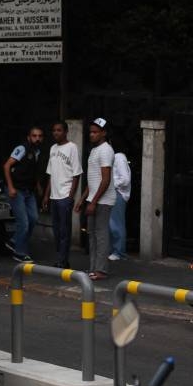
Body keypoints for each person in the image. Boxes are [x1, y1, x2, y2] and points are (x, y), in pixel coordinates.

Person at [75, 118, 116, 280]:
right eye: (90, 132)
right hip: (93, 198)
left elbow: (105, 180)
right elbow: (92, 179)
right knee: (91, 235)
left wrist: (93, 202)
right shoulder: (94, 150)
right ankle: (93, 268)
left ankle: (101, 270)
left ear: (104, 133)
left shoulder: (106, 150)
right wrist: (82, 199)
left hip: (103, 200)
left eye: (95, 132)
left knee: (101, 234)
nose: (91, 135)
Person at [42, 121, 82, 268]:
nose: (56, 133)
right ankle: (61, 257)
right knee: (57, 231)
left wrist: (70, 197)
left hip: (65, 196)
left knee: (65, 231)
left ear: (65, 132)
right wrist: (46, 195)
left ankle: (62, 260)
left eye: (59, 130)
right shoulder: (52, 148)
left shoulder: (72, 148)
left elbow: (77, 174)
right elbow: (50, 174)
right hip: (54, 196)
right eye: (54, 130)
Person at [2, 125, 44, 262]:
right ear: (29, 137)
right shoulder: (22, 149)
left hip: (29, 190)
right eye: (34, 136)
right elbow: (7, 166)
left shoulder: (38, 152)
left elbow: (34, 171)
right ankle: (19, 252)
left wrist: (38, 186)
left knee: (34, 218)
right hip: (16, 189)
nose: (37, 138)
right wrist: (11, 187)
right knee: (24, 223)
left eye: (39, 136)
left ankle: (14, 240)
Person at [109, 139, 132, 261]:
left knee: (116, 224)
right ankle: (115, 250)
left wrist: (111, 184)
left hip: (118, 192)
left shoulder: (119, 157)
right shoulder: (117, 157)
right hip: (115, 191)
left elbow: (125, 179)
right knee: (113, 223)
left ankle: (119, 251)